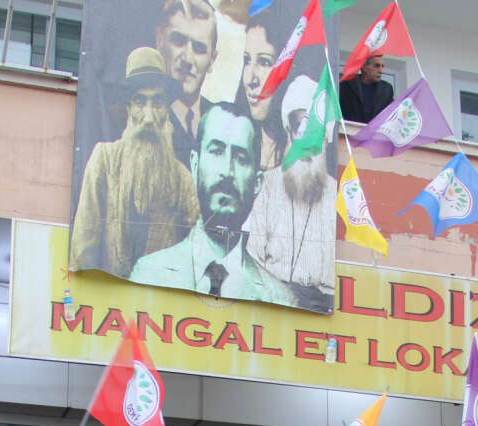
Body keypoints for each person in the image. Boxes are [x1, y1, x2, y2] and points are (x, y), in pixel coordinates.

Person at [130, 103, 293, 305]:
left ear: (257, 183)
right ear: (195, 164)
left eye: (241, 158)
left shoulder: (279, 299)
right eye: (216, 152)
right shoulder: (148, 275)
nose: (227, 171)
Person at [70, 47, 200, 279]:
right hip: (107, 295)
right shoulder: (104, 160)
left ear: (166, 111)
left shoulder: (182, 180)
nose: (148, 118)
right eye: (140, 102)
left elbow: (195, 253)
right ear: (128, 108)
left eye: (157, 103)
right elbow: (83, 248)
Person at [244, 75, 335, 309]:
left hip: (322, 309)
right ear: (289, 131)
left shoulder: (337, 195)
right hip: (272, 301)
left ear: (326, 137)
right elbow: (252, 260)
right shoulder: (268, 185)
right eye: (299, 125)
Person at [156, 0, 219, 161]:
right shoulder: (142, 117)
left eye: (199, 48)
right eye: (179, 41)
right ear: (160, 41)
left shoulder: (221, 122)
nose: (187, 59)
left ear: (212, 60)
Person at [235, 6, 289, 169]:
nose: (250, 79)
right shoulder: (234, 140)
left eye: (264, 62)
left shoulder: (301, 156)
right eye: (246, 60)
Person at [339, 53, 394, 124]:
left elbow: (391, 115)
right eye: (376, 66)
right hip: (349, 129)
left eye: (382, 66)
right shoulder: (347, 84)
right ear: (364, 67)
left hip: (374, 130)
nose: (381, 71)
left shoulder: (386, 89)